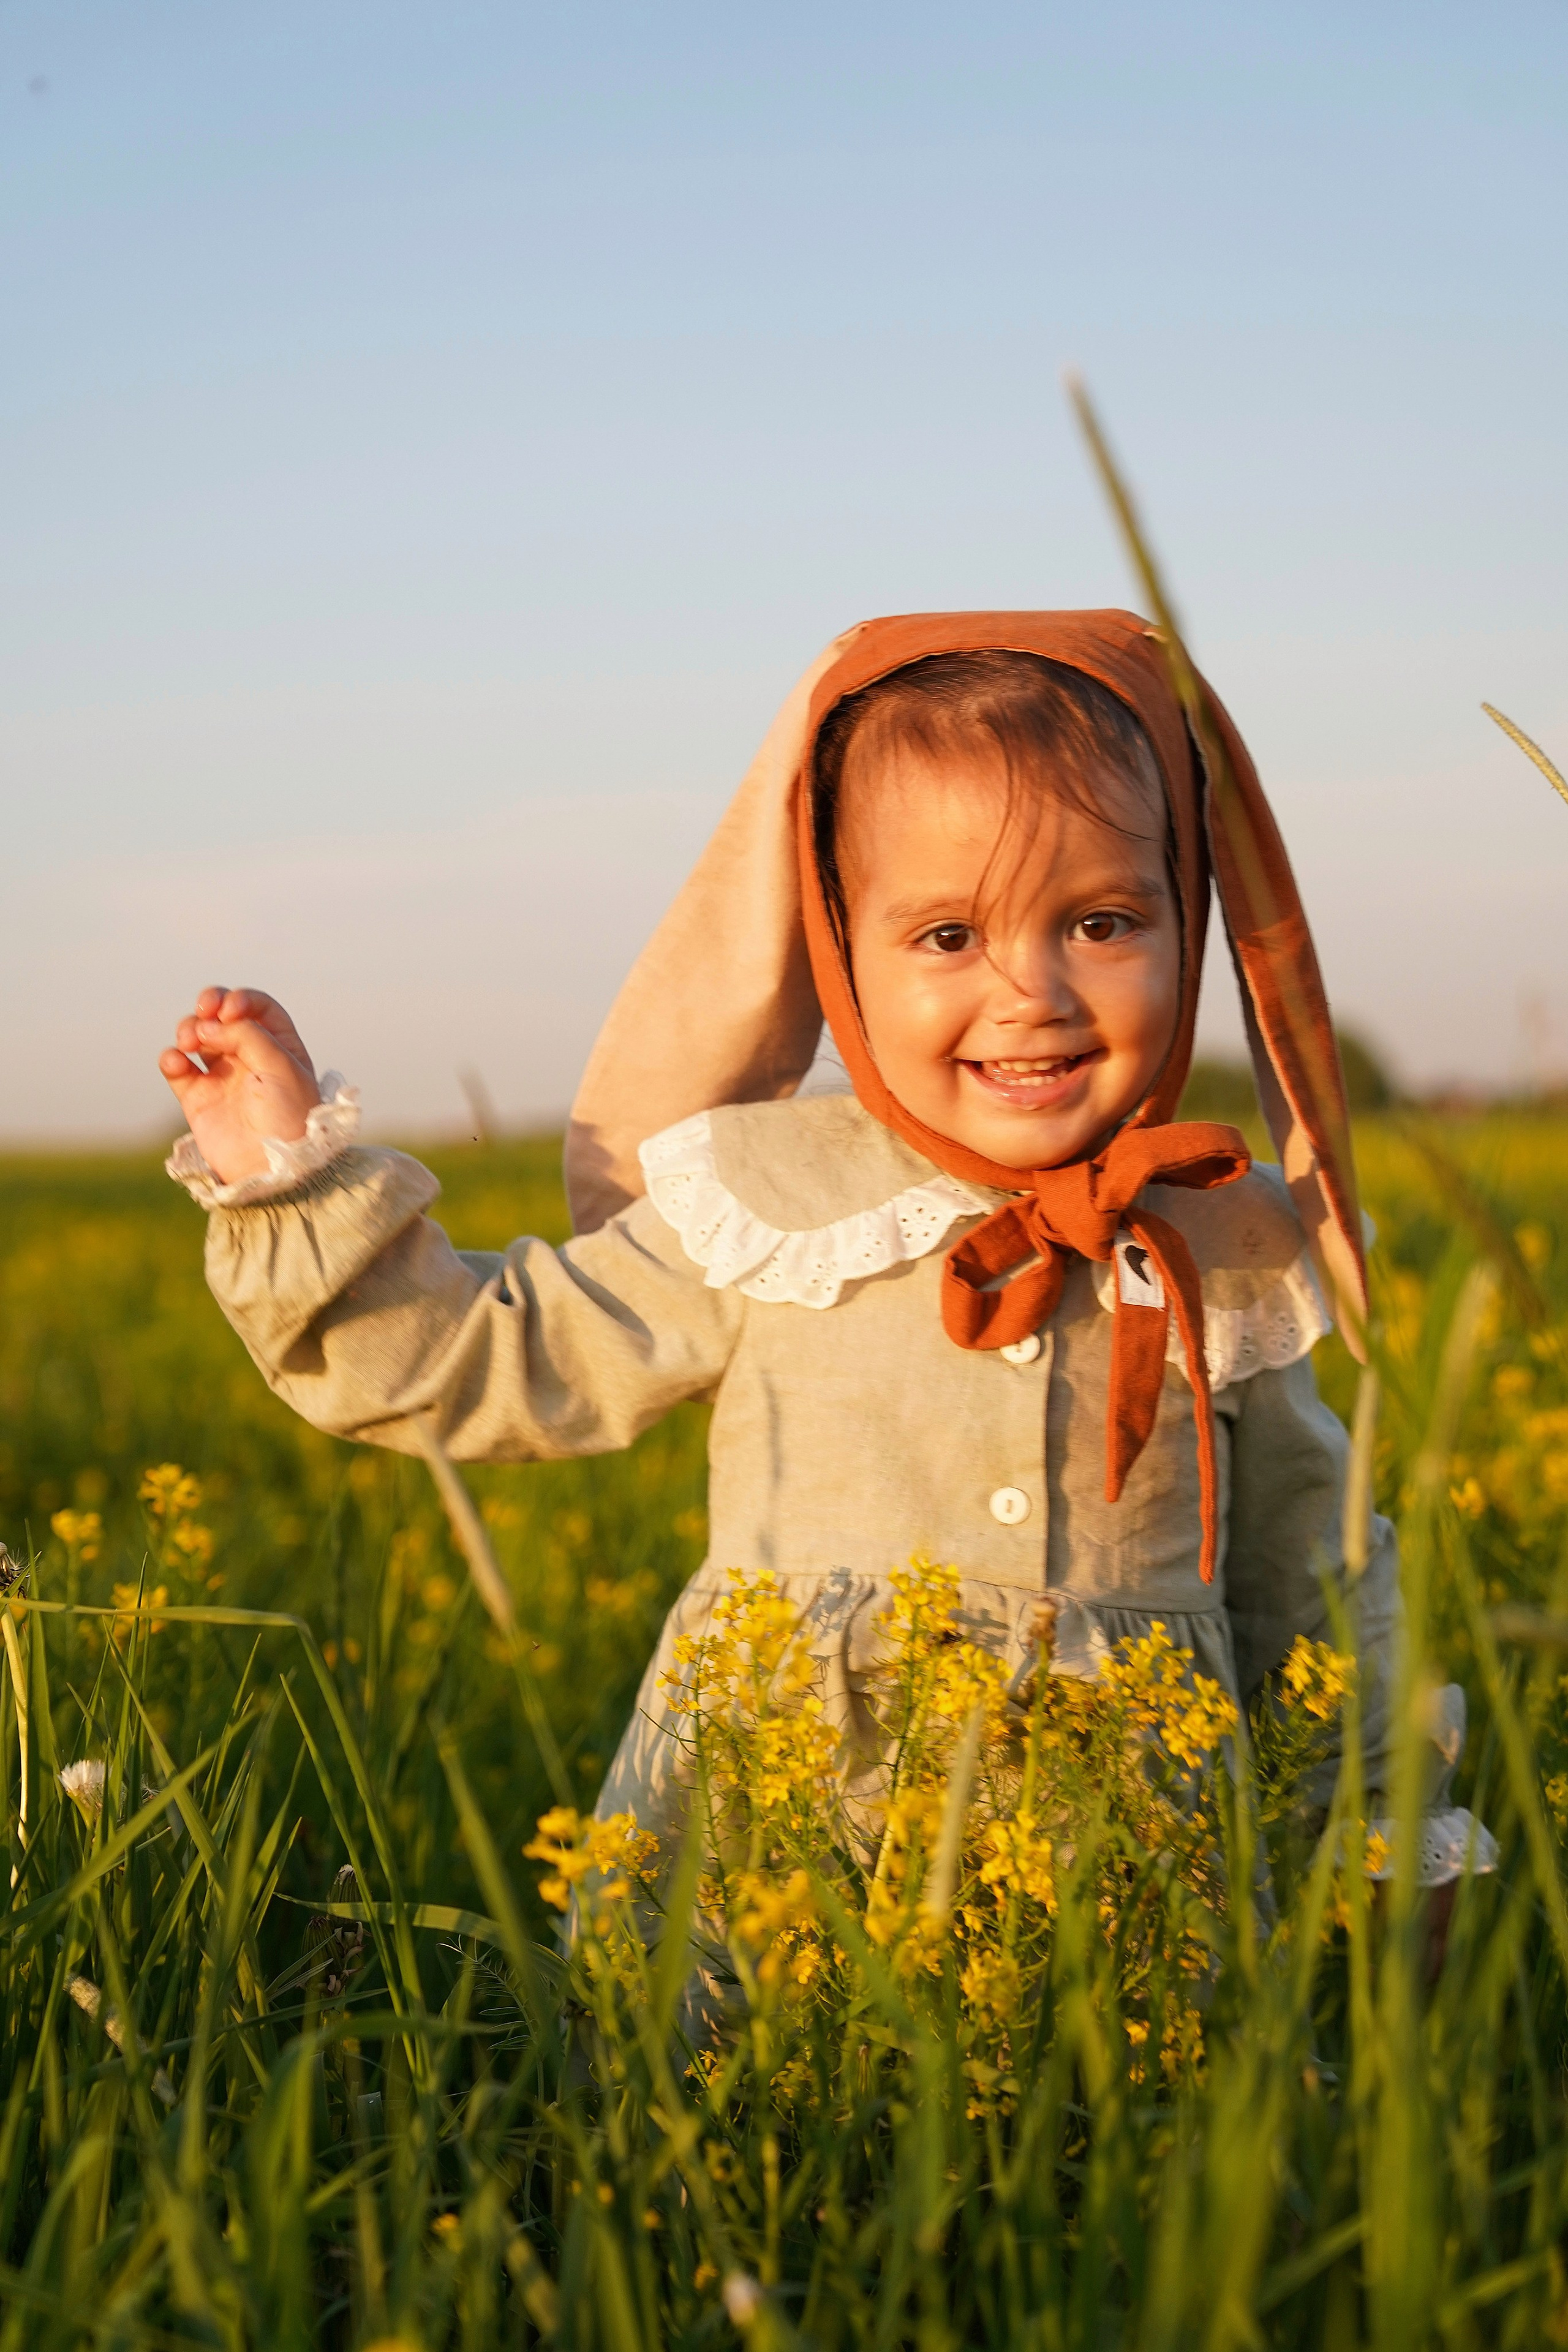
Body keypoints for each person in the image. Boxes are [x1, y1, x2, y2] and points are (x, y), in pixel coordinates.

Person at [157, 610, 1485, 1881]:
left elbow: (1313, 1589)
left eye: (1101, 923)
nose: (1030, 994)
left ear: (1188, 924)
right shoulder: (760, 1194)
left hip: (1125, 1897)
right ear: (838, 952)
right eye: (947, 935)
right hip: (777, 1874)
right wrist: (288, 1175)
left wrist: (1389, 1838)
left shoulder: (1233, 1242)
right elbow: (473, 1360)